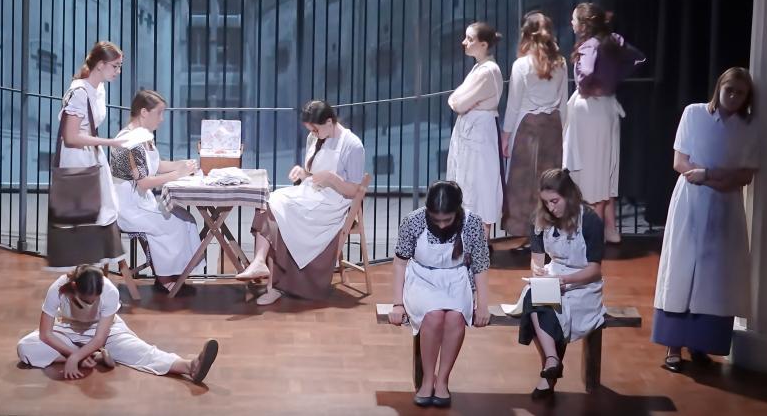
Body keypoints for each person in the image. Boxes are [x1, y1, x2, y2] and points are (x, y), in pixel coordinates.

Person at [652, 67, 758, 372]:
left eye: (740, 93)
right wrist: (710, 177)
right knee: (683, 266)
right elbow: (680, 161)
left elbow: (745, 175)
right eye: (729, 90)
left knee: (716, 274)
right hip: (691, 200)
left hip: (725, 205)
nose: (733, 97)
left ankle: (701, 343)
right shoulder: (694, 113)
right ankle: (673, 345)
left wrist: (709, 174)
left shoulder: (747, 126)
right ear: (719, 88)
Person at [234, 100, 366, 306]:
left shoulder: (352, 145)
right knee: (269, 201)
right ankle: (262, 267)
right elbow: (314, 175)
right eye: (310, 130)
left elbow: (353, 191)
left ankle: (270, 279)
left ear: (329, 122)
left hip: (332, 205)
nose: (313, 133)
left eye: (315, 129)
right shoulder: (314, 137)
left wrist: (331, 178)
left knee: (276, 207)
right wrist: (303, 173)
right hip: (310, 194)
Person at [16, 264, 219, 383]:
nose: (91, 303)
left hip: (104, 330)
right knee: (26, 347)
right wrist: (74, 355)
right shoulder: (58, 288)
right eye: (86, 300)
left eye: (95, 299)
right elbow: (45, 334)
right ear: (75, 286)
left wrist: (76, 356)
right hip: (66, 328)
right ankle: (95, 357)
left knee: (140, 351)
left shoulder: (109, 291)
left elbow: (99, 338)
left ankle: (189, 366)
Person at [388, 181, 492, 408]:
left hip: (457, 279)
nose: (442, 224)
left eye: (447, 219)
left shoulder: (472, 223)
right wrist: (397, 303)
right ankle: (428, 380)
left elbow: (480, 266)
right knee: (433, 315)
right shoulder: (413, 221)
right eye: (436, 219)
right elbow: (400, 263)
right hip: (422, 278)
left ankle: (443, 380)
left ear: (457, 210)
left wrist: (482, 305)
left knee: (455, 317)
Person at [563, 3, 646, 244]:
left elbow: (587, 72)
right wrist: (615, 77)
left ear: (583, 24)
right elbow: (639, 58)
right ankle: (609, 229)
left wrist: (586, 83)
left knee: (591, 171)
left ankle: (592, 234)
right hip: (607, 108)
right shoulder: (614, 40)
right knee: (604, 168)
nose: (571, 23)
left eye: (574, 19)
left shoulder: (590, 45)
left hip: (590, 110)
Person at [519, 168, 605, 400]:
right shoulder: (540, 218)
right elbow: (537, 260)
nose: (550, 207)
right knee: (534, 298)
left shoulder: (590, 220)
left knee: (551, 311)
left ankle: (549, 372)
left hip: (582, 284)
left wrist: (566, 280)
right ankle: (552, 360)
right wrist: (538, 271)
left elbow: (595, 270)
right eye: (546, 202)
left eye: (555, 201)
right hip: (554, 275)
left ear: (568, 195)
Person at [47, 42, 129, 270]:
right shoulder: (79, 93)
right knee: (83, 218)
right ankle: (82, 273)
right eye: (115, 66)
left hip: (91, 156)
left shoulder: (99, 89)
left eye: (119, 66)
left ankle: (95, 270)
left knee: (99, 213)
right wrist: (110, 142)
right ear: (100, 65)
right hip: (77, 160)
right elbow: (71, 137)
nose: (118, 71)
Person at [110, 90, 202, 294]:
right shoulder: (129, 142)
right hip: (129, 208)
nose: (162, 119)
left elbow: (156, 165)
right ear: (144, 112)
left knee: (187, 219)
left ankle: (176, 274)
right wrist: (177, 174)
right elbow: (143, 182)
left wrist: (182, 165)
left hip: (143, 202)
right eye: (159, 113)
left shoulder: (143, 137)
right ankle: (165, 278)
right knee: (175, 224)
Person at [501, 12, 568, 242]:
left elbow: (513, 104)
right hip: (552, 127)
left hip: (528, 127)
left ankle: (527, 232)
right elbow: (563, 102)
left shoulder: (521, 65)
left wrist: (506, 135)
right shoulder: (560, 62)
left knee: (524, 182)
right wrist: (564, 131)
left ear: (526, 34)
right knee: (550, 180)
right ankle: (548, 231)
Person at [447, 21, 506, 239]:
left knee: (480, 187)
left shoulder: (488, 71)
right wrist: (458, 101)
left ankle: (479, 244)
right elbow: (455, 99)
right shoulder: (479, 68)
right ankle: (468, 242)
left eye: (470, 39)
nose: (465, 42)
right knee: (467, 185)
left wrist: (459, 101)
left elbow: (459, 103)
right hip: (470, 133)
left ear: (483, 44)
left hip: (479, 135)